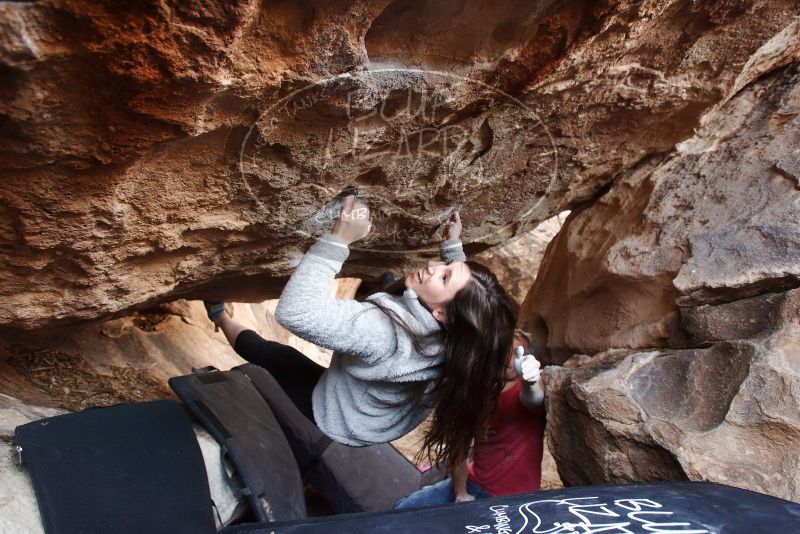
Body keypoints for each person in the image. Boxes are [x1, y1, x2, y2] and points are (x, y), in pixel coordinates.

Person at [205, 194, 517, 470]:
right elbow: (466, 301)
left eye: (445, 276)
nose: (433, 266)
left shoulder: (379, 331)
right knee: (390, 282)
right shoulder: (463, 333)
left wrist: (338, 238)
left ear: (442, 314)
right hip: (384, 412)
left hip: (347, 419)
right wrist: (453, 249)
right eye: (444, 266)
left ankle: (219, 317)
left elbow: (295, 312)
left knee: (273, 355)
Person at [393, 330, 546, 509]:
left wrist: (530, 382)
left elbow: (534, 400)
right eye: (503, 350)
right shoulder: (479, 391)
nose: (507, 358)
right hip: (474, 483)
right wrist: (461, 492)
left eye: (516, 353)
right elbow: (459, 446)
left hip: (513, 499)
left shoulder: (527, 387)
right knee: (402, 509)